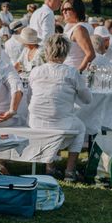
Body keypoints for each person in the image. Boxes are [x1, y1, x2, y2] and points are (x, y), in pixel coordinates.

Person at [28, 35, 91, 179]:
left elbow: (29, 99)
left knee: (52, 116)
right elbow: (87, 100)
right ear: (66, 52)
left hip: (36, 123)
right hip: (61, 122)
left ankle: (50, 166)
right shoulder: (71, 72)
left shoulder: (35, 71)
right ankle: (70, 170)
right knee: (80, 127)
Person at [59, 0, 96, 74]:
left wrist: (78, 72)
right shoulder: (69, 27)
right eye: (62, 9)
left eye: (68, 9)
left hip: (74, 73)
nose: (64, 12)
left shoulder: (79, 29)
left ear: (77, 10)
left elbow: (90, 54)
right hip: (67, 70)